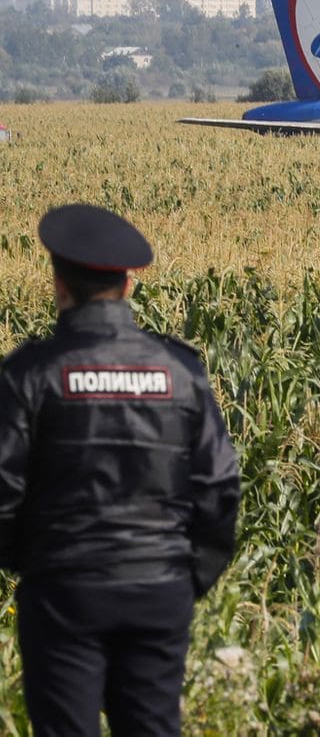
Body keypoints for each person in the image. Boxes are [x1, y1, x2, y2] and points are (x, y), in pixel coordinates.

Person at [0, 203, 240, 735]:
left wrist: (33, 562)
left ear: (58, 283)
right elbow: (219, 486)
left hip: (64, 586)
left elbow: (3, 488)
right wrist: (188, 575)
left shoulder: (30, 373)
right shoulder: (179, 370)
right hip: (158, 585)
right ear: (129, 286)